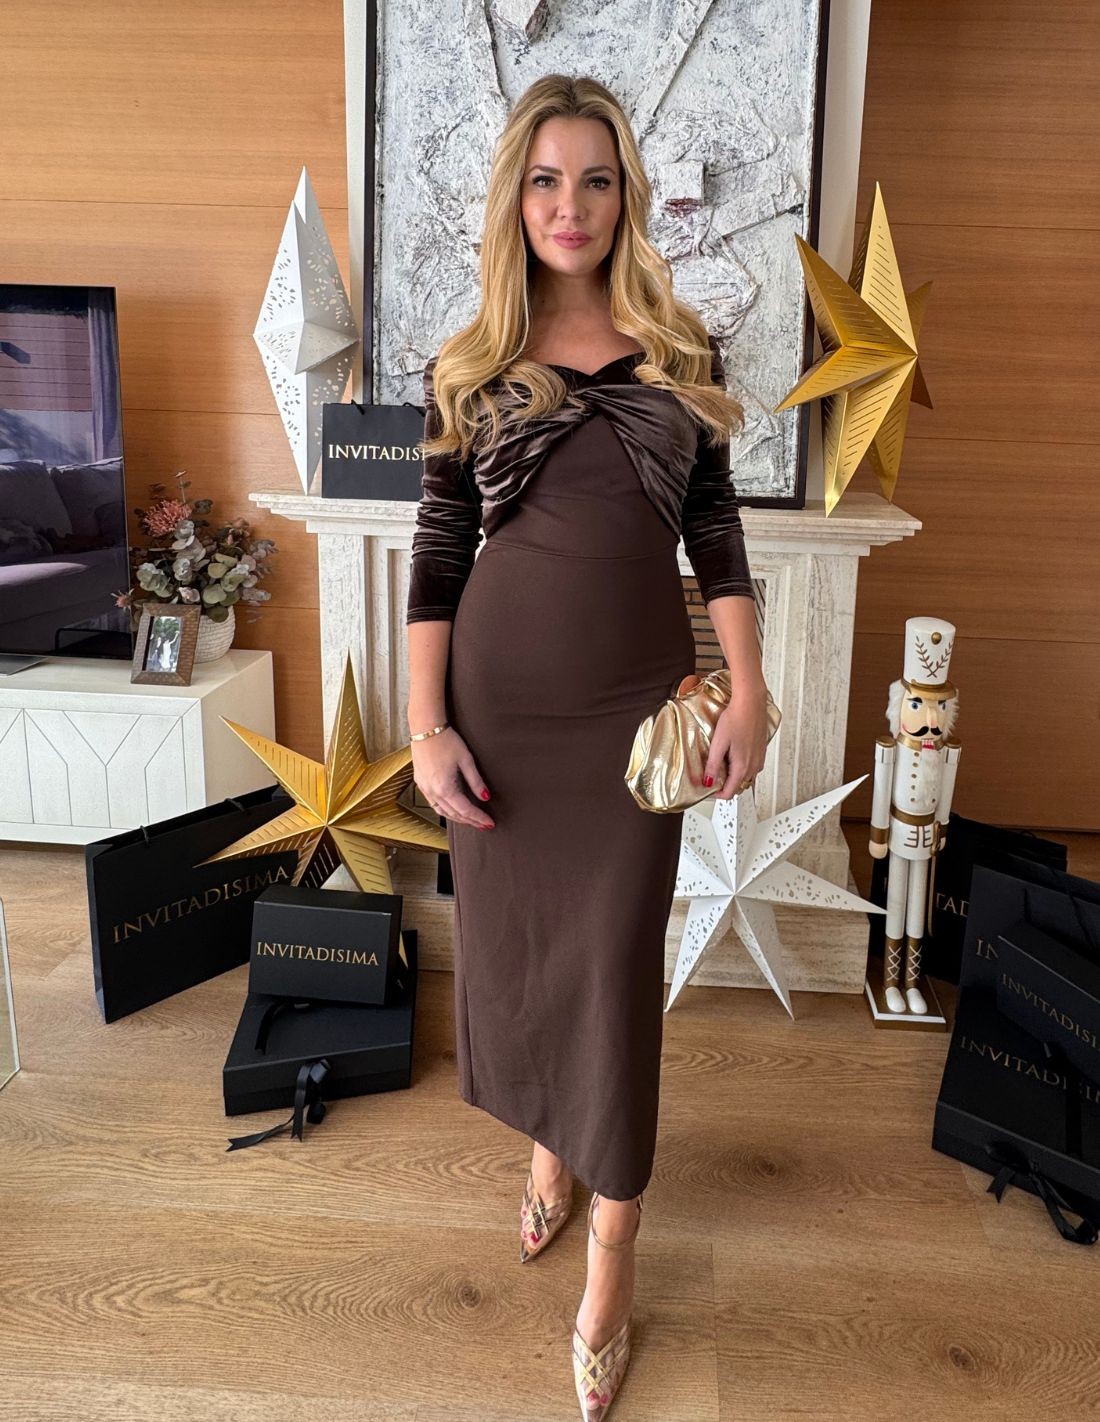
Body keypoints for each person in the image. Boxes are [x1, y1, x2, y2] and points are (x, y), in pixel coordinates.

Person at [405, 74, 770, 1421]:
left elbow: (716, 538)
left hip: (630, 715)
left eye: (597, 179)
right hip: (500, 707)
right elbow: (437, 559)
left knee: (613, 969)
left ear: (628, 196)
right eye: (547, 180)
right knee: (524, 956)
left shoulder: (682, 349)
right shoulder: (469, 362)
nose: (572, 205)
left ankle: (614, 1247)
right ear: (518, 199)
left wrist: (749, 687)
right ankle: (552, 1147)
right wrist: (427, 727)